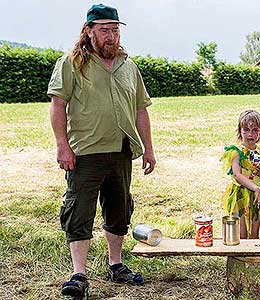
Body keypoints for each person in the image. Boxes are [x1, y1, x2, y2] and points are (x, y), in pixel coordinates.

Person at [47, 4, 156, 297]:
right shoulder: (71, 63)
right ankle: (78, 274)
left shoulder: (128, 66)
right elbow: (58, 105)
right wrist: (62, 145)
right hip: (85, 152)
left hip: (121, 150)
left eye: (115, 30)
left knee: (119, 210)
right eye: (105, 30)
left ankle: (116, 265)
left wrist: (148, 149)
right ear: (89, 31)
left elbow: (140, 109)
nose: (111, 36)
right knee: (80, 211)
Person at [221, 110, 260, 239]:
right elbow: (237, 175)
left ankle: (252, 258)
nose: (250, 134)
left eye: (255, 130)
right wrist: (255, 187)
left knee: (254, 233)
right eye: (246, 130)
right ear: (239, 131)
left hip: (257, 197)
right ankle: (239, 258)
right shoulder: (236, 152)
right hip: (240, 195)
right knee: (241, 233)